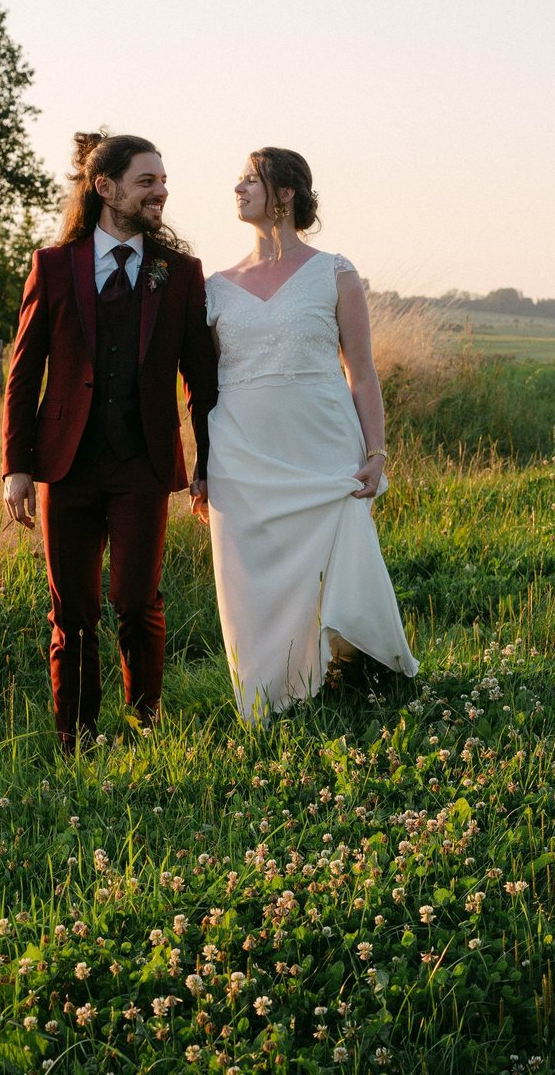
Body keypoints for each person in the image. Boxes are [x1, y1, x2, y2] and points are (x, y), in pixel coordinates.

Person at [1, 132, 218, 754]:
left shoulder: (177, 274)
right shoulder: (54, 266)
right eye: (147, 181)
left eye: (162, 180)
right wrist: (17, 466)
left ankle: (143, 728)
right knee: (71, 612)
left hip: (144, 465)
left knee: (134, 598)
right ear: (105, 188)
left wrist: (206, 464)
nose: (161, 191)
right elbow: (23, 374)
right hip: (65, 466)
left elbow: (202, 383)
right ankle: (76, 738)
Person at [195, 146, 419, 722]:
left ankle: (352, 674)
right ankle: (266, 699)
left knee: (337, 556)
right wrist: (198, 467)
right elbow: (205, 388)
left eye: (251, 180)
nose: (238, 189)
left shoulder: (335, 273)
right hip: (241, 454)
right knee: (249, 577)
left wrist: (376, 452)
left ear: (286, 193)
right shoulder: (216, 287)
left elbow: (362, 373)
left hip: (324, 447)